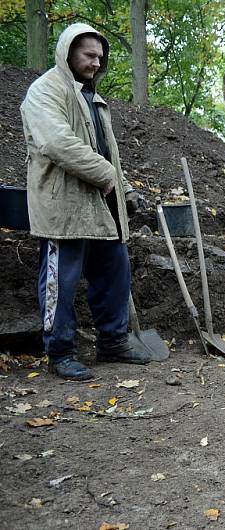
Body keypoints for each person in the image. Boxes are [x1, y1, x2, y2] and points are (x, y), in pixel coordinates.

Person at [20, 23, 149, 381]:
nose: (95, 62)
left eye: (100, 57)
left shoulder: (94, 98)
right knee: (61, 279)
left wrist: (125, 190)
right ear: (67, 52)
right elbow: (57, 144)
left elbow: (109, 152)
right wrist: (107, 175)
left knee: (115, 271)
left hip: (101, 205)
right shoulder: (45, 91)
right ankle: (60, 351)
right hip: (64, 204)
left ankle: (113, 341)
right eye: (88, 55)